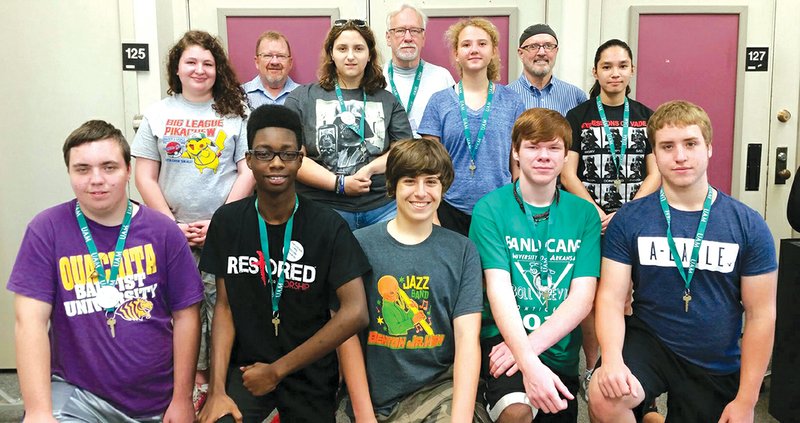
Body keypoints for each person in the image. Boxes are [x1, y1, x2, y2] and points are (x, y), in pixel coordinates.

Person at [589, 100, 778, 423]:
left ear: (709, 149)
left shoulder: (747, 224)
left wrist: (747, 400)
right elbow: (610, 298)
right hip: (652, 341)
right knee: (605, 394)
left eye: (690, 144)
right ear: (655, 155)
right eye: (667, 146)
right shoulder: (631, 219)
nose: (679, 156)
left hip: (714, 356)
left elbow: (761, 315)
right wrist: (613, 361)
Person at [9, 120, 203, 422]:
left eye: (109, 167)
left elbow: (186, 317)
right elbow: (29, 323)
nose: (96, 179)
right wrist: (38, 412)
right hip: (77, 395)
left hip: (157, 399)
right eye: (82, 169)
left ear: (128, 171)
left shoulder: (164, 231)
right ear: (70, 173)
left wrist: (181, 399)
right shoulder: (46, 230)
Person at [197, 104, 370, 423]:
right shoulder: (228, 222)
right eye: (264, 153)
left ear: (301, 158)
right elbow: (224, 308)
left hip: (309, 375)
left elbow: (355, 311)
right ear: (249, 159)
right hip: (248, 372)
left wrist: (278, 370)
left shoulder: (327, 227)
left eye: (287, 154)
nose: (276, 163)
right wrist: (217, 390)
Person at [131, 29, 253, 411]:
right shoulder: (158, 113)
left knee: (224, 304)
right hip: (171, 233)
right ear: (177, 69)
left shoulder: (236, 113)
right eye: (191, 62)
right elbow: (144, 175)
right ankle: (191, 383)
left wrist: (221, 220)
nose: (200, 70)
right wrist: (170, 226)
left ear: (218, 70)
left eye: (208, 63)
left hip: (224, 230)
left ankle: (218, 381)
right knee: (179, 307)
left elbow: (248, 169)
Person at [469, 108, 601, 422]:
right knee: (516, 412)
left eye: (553, 148)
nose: (543, 156)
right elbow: (498, 290)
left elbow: (582, 298)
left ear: (566, 156)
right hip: (502, 340)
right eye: (532, 146)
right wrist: (527, 362)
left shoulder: (584, 215)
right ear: (515, 151)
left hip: (558, 346)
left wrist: (528, 351)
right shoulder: (490, 209)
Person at [338, 138, 484, 422]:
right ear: (392, 186)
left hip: (439, 390)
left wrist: (461, 419)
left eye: (431, 182)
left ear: (443, 187)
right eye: (409, 181)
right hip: (374, 396)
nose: (421, 192)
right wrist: (365, 416)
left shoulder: (462, 250)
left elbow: (468, 338)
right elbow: (347, 339)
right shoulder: (358, 245)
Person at [560, 39, 661, 394]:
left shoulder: (647, 116)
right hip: (590, 218)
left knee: (630, 294)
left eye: (621, 66)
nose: (614, 73)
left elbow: (656, 173)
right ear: (595, 72)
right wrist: (595, 209)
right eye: (607, 66)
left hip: (635, 219)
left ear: (631, 70)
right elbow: (568, 172)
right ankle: (592, 366)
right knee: (591, 293)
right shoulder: (579, 116)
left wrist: (627, 211)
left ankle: (628, 362)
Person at [285, 19, 413, 230]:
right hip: (322, 206)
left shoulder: (388, 100)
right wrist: (340, 184)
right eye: (342, 48)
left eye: (359, 49)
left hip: (382, 208)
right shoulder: (301, 98)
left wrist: (370, 169)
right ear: (331, 54)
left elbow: (404, 150)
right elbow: (292, 157)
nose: (351, 56)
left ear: (369, 55)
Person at [418, 17, 525, 236]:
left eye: (482, 44)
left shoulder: (512, 101)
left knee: (493, 270)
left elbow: (519, 162)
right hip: (449, 207)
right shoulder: (439, 102)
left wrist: (519, 207)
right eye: (466, 44)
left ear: (494, 51)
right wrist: (433, 213)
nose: (474, 50)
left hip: (500, 207)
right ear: (456, 53)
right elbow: (429, 163)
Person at [383, 4, 455, 135]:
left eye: (415, 30)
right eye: (400, 30)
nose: (408, 38)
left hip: (432, 154)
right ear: (388, 38)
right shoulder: (375, 79)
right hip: (389, 155)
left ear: (423, 38)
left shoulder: (442, 78)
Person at [508, 24, 586, 115]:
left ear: (556, 51)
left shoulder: (576, 97)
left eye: (548, 46)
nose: (541, 53)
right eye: (533, 47)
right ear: (521, 53)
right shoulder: (504, 97)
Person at [242, 31, 299, 108]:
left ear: (290, 63)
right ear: (257, 62)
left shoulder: (305, 97)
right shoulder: (239, 96)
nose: (274, 62)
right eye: (268, 55)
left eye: (281, 56)